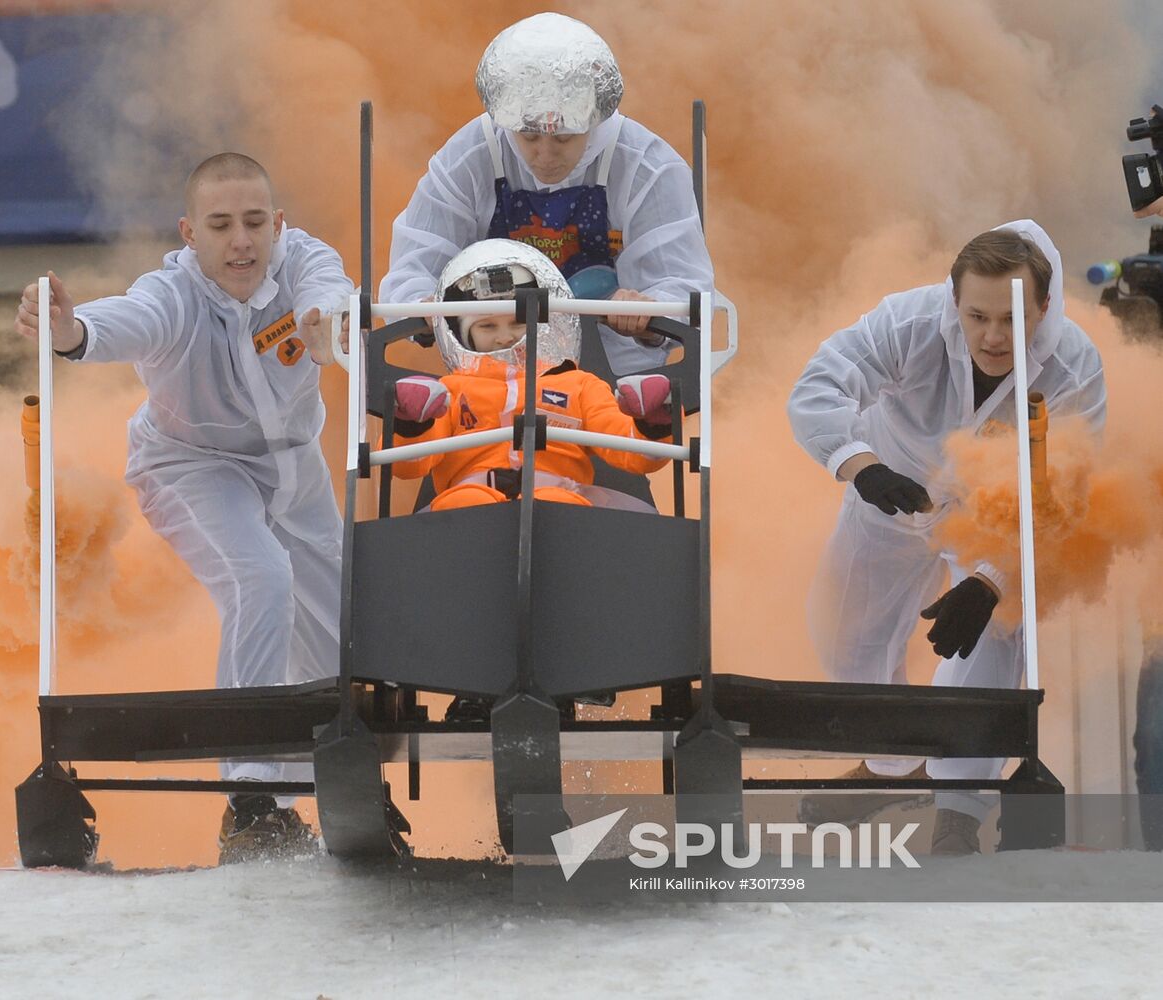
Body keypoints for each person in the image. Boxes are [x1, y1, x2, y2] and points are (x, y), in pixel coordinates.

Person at [15, 152, 353, 864]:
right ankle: (252, 804)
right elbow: (123, 322)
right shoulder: (171, 295)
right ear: (189, 233)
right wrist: (70, 331)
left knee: (344, 641)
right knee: (260, 581)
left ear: (279, 225)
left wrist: (331, 320)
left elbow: (331, 293)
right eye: (221, 225)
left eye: (255, 222)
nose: (241, 242)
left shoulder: (304, 264)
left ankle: (325, 798)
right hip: (193, 467)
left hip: (296, 468)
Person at [787, 220, 1106, 854]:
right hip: (890, 488)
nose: (993, 337)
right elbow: (819, 385)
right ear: (952, 300)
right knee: (846, 629)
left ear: (1045, 305)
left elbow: (1065, 495)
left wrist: (993, 581)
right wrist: (859, 463)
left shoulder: (1075, 367)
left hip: (998, 518)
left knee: (989, 639)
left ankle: (958, 811)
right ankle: (890, 767)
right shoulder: (905, 322)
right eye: (976, 315)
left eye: (1013, 320)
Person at [379, 12, 714, 378]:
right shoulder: (467, 158)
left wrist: (650, 312)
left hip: (621, 388)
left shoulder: (648, 167)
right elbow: (413, 268)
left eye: (564, 136)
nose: (546, 154)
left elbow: (686, 290)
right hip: (491, 378)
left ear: (596, 119)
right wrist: (425, 305)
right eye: (529, 136)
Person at [389, 239, 675, 512]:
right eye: (487, 326)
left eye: (516, 322)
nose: (503, 337)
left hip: (561, 502)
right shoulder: (449, 391)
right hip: (469, 511)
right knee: (461, 504)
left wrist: (650, 422)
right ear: (463, 335)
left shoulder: (579, 385)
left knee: (558, 507)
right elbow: (407, 465)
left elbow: (631, 450)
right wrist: (412, 423)